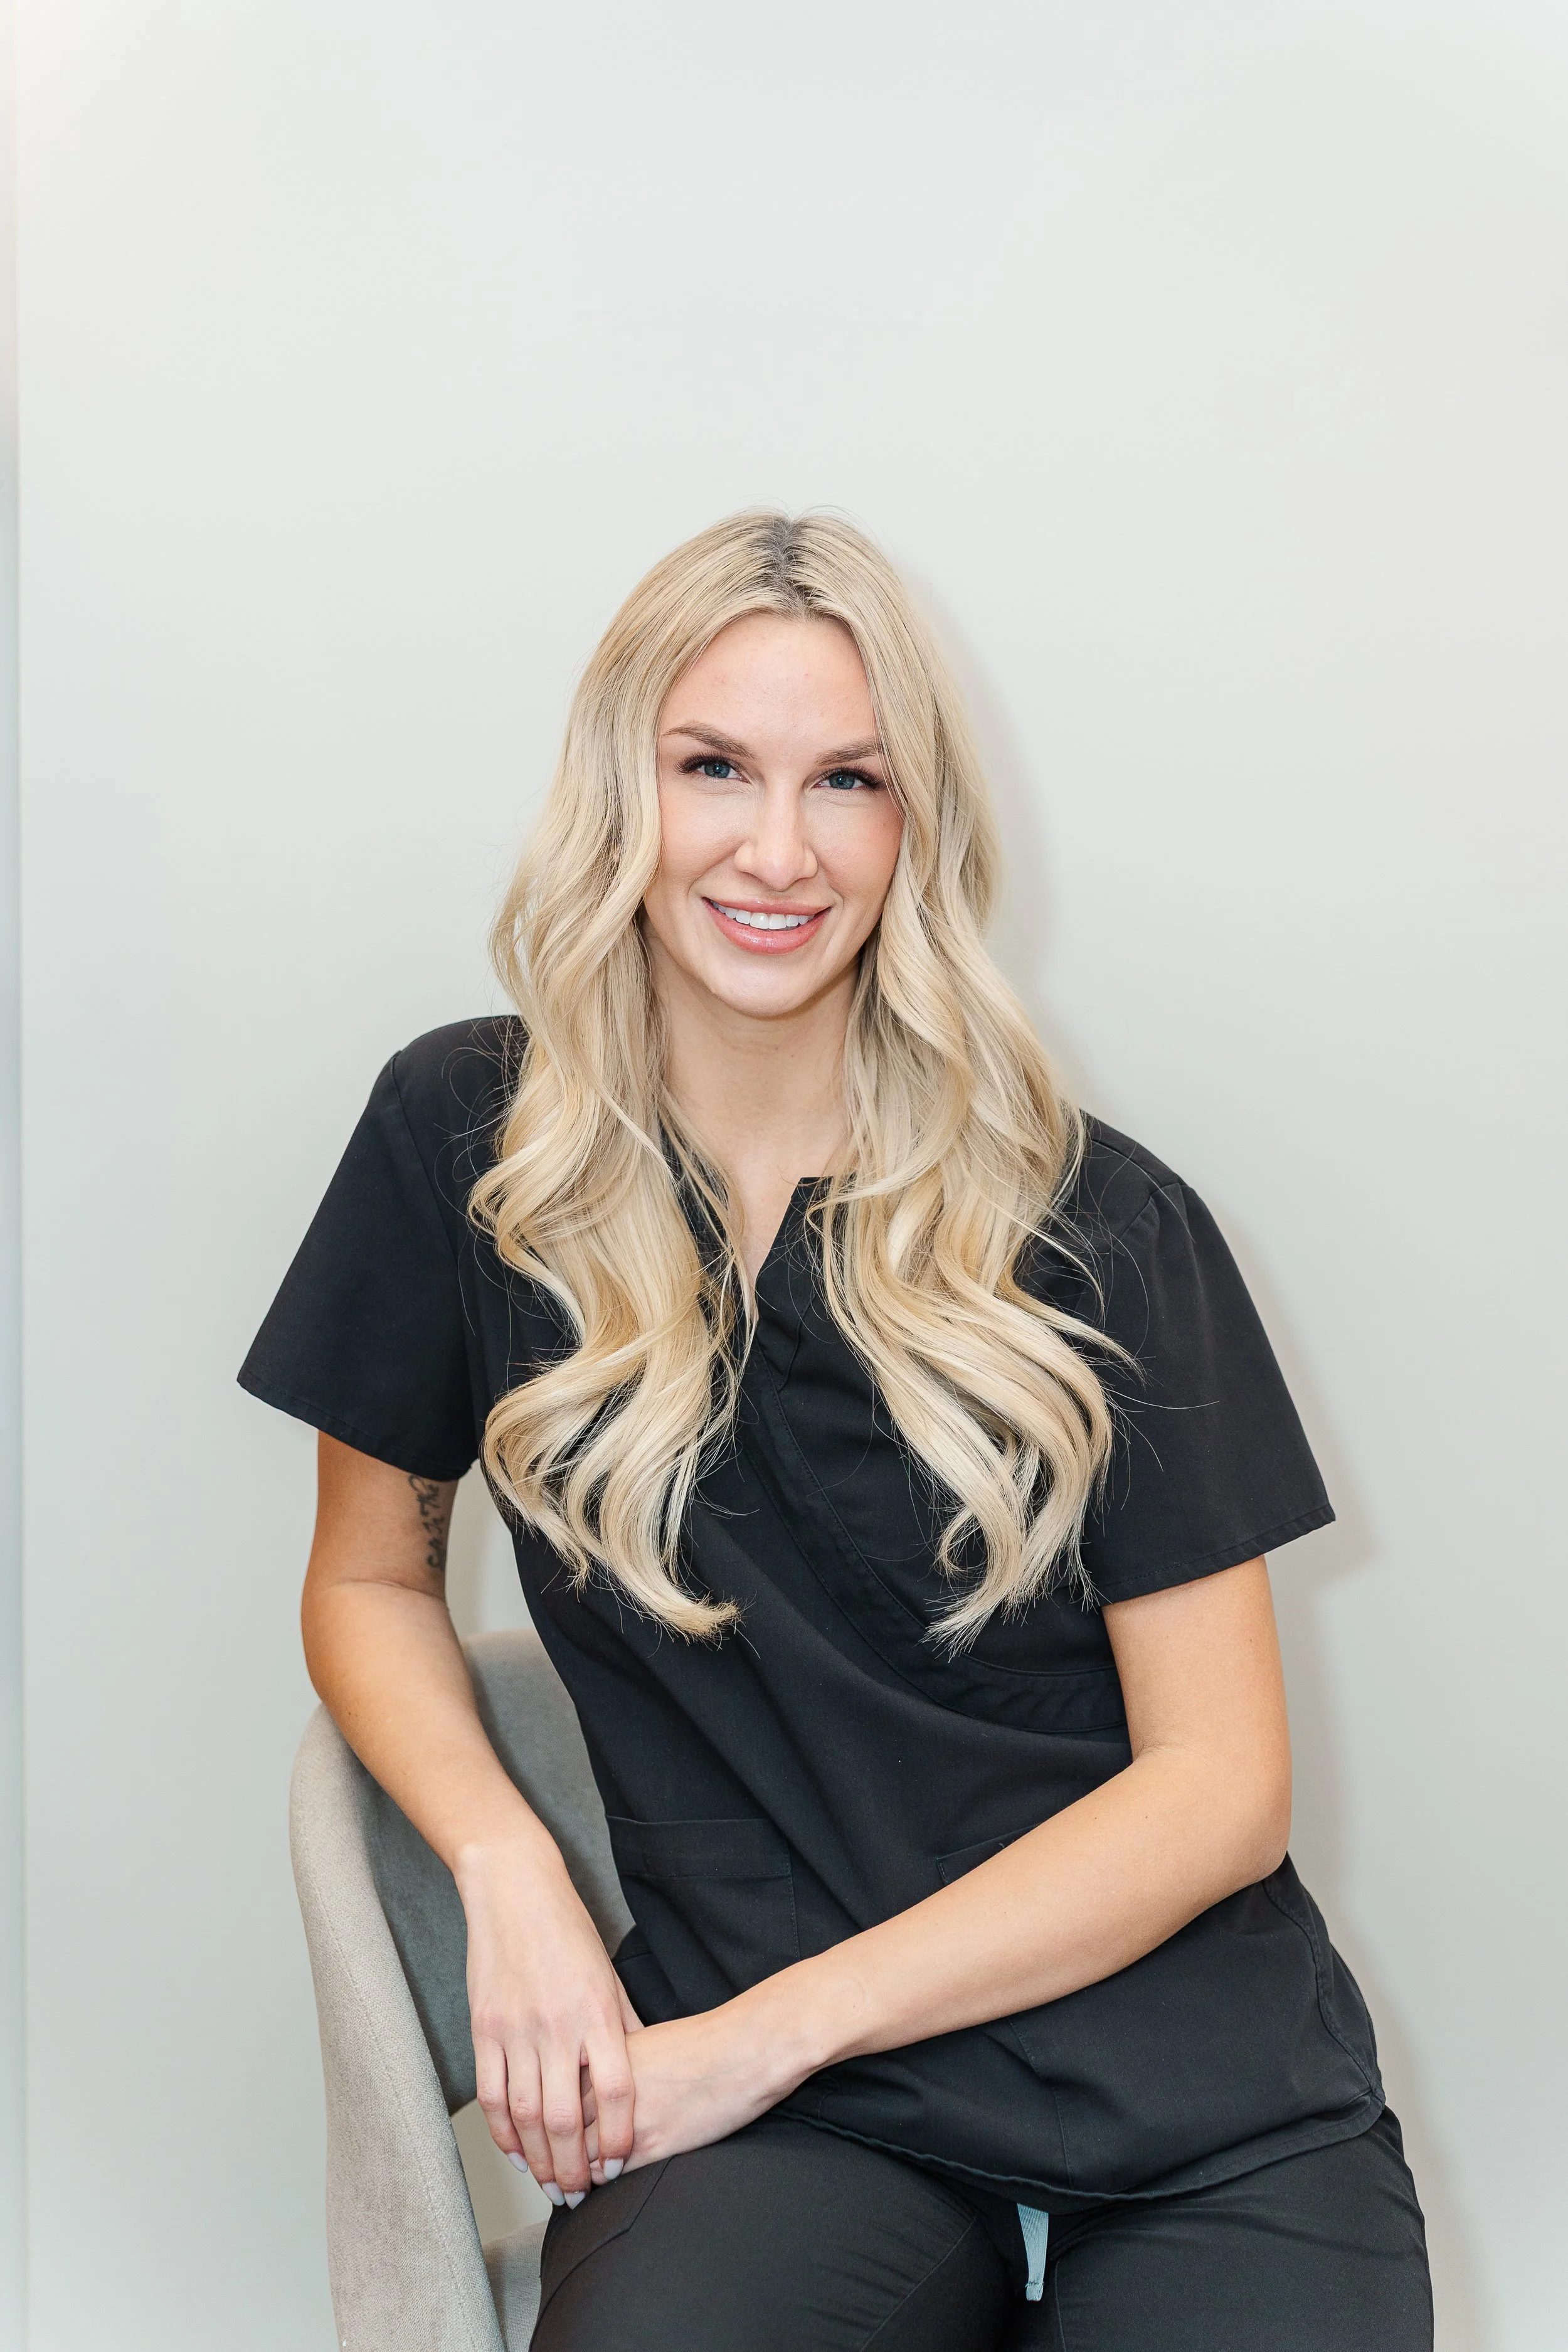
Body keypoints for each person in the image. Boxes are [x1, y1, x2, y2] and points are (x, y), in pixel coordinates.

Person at [241, 511, 1433, 2350]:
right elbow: (367, 1578)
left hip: (1194, 2110)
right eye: (713, 764)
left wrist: (756, 2032)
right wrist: (509, 1864)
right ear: (618, 788)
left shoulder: (1100, 1224)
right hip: (793, 2146)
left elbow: (1219, 1788)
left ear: (916, 829)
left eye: (846, 782)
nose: (775, 850)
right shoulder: (464, 1147)